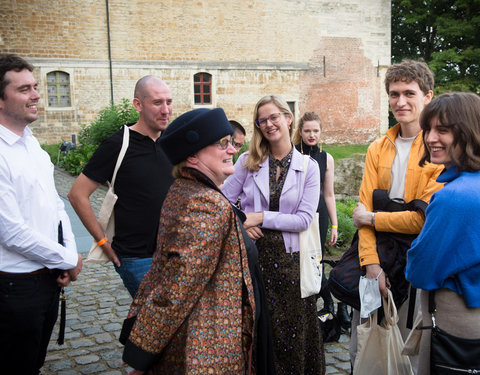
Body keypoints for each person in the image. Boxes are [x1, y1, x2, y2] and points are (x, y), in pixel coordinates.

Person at [121, 107, 264, 374]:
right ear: (192, 156)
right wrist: (142, 355)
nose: (232, 150)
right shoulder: (204, 203)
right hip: (204, 348)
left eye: (231, 142)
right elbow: (177, 287)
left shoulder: (186, 189)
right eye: (223, 143)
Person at [350, 59, 445, 369]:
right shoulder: (378, 147)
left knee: (409, 353)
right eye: (393, 94)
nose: (400, 102)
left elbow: (422, 220)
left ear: (428, 96)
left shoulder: (437, 149)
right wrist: (371, 265)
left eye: (409, 93)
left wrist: (375, 219)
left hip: (415, 264)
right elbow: (362, 213)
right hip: (377, 259)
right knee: (366, 349)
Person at [223, 95, 324, 374]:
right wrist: (242, 220)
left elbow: (303, 220)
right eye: (262, 120)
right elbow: (221, 201)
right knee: (258, 332)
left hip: (292, 264)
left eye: (273, 117)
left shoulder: (308, 167)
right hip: (254, 261)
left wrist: (260, 217)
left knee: (292, 336)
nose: (268, 124)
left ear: (288, 118)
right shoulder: (248, 161)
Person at [0, 54, 82, 375]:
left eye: (35, 86)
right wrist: (64, 258)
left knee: (34, 362)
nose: (36, 94)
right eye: (24, 89)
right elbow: (10, 231)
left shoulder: (32, 144)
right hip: (13, 288)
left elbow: (57, 206)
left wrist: (68, 254)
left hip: (46, 280)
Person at [68, 75, 174, 298]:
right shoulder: (118, 144)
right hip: (137, 258)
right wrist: (102, 242)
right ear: (138, 104)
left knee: (168, 326)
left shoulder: (172, 143)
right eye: (157, 103)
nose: (166, 110)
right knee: (154, 321)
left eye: (169, 102)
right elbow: (77, 194)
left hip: (175, 253)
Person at [405, 92, 480, 374]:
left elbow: (420, 270)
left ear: (469, 132)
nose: (430, 138)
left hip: (457, 326)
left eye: (443, 130)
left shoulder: (454, 198)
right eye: (429, 129)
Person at [292, 112, 350, 329]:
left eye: (316, 130)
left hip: (319, 215)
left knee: (315, 262)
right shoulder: (292, 153)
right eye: (307, 130)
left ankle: (329, 304)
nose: (311, 134)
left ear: (321, 131)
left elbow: (329, 194)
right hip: (296, 214)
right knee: (298, 261)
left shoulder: (327, 158)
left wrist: (335, 224)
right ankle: (311, 304)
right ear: (300, 131)